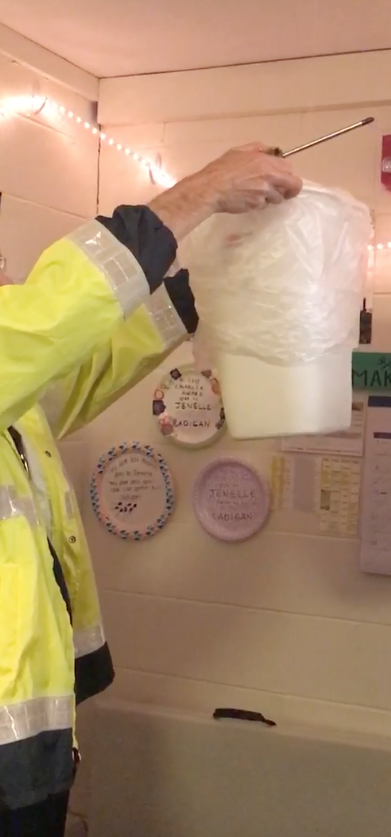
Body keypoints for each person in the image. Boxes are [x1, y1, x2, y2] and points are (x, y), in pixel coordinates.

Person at [0, 143, 302, 836]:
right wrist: (197, 193)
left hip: (28, 746)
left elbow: (64, 376)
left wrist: (190, 298)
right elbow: (39, 330)